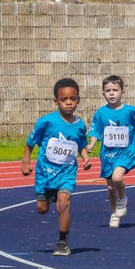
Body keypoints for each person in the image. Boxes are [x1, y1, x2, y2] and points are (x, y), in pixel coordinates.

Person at [21, 78, 92, 256]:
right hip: (45, 172)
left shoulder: (80, 124)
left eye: (72, 99)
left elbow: (81, 144)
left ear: (78, 100)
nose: (68, 103)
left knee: (63, 203)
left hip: (67, 172)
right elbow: (31, 142)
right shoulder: (46, 122)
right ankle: (50, 194)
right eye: (64, 99)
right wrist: (26, 162)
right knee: (42, 209)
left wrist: (85, 158)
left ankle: (62, 242)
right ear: (56, 101)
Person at [87, 75, 135, 228]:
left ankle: (122, 197)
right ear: (103, 94)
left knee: (117, 177)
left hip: (126, 152)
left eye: (115, 90)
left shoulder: (130, 111)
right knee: (110, 187)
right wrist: (91, 144)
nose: (112, 93)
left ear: (122, 92)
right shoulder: (100, 113)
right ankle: (114, 213)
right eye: (108, 91)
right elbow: (95, 131)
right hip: (108, 154)